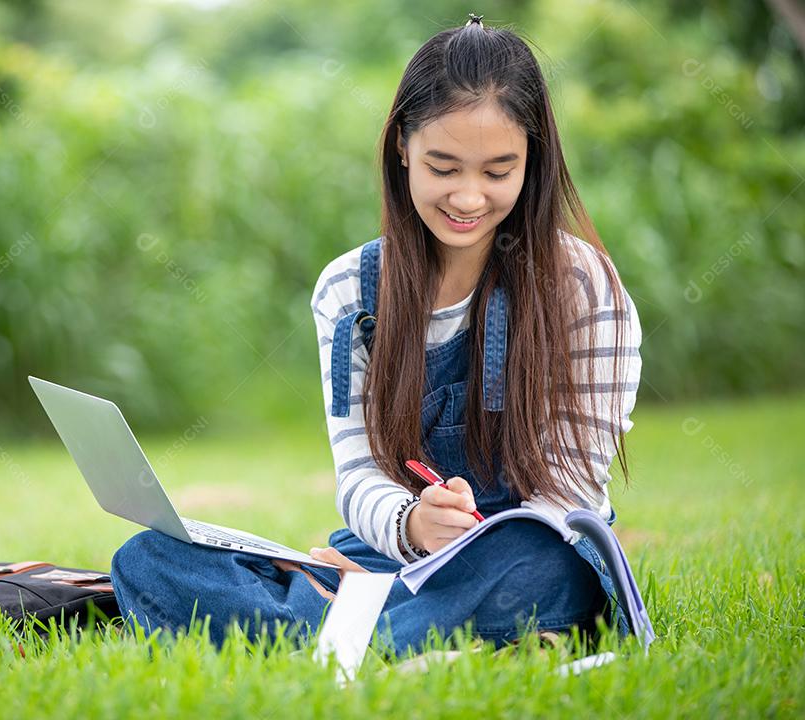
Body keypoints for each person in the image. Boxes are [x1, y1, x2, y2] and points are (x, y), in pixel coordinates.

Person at [110, 15, 642, 658]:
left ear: (533, 161)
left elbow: (572, 489)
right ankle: (412, 635)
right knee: (148, 558)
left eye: (499, 172)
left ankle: (344, 628)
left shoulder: (582, 284)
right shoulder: (349, 292)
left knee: (542, 565)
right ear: (402, 150)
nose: (469, 197)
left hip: (517, 554)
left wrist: (441, 561)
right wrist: (413, 527)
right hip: (390, 549)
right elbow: (359, 474)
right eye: (443, 167)